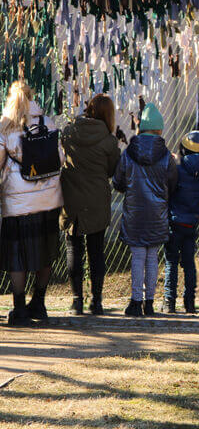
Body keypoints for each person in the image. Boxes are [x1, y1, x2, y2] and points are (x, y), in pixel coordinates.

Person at [0, 81, 64, 325]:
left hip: (17, 203)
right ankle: (39, 302)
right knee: (45, 251)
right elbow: (59, 157)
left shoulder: (5, 126)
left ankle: (19, 308)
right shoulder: (47, 122)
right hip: (48, 199)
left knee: (17, 255)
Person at [113, 102, 177, 317]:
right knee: (152, 259)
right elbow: (173, 184)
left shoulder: (128, 154)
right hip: (158, 213)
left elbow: (118, 182)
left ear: (141, 128)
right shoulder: (167, 156)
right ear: (160, 130)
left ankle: (135, 301)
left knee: (137, 257)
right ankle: (149, 303)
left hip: (135, 213)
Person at [61, 94, 121, 315]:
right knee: (96, 250)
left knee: (73, 248)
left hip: (72, 197)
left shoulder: (69, 132)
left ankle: (76, 300)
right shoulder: (108, 140)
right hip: (97, 198)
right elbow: (112, 170)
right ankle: (97, 301)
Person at [162, 130, 199, 314]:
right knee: (189, 263)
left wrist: (174, 163)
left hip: (175, 222)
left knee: (171, 262)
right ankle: (190, 301)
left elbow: (171, 187)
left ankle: (169, 301)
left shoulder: (178, 168)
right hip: (192, 222)